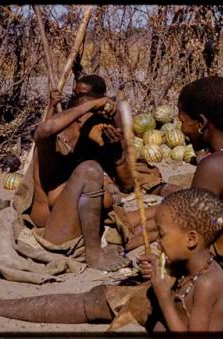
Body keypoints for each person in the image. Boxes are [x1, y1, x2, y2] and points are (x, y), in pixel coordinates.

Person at [0, 76, 223, 331]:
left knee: (101, 299)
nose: (180, 125)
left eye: (184, 120)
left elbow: (194, 242)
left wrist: (157, 270)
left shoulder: (214, 166)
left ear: (203, 123)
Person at [0, 188, 223, 332]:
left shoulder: (209, 284)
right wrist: (159, 274)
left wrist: (162, 295)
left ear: (192, 239)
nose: (157, 240)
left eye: (163, 234)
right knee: (97, 299)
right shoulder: (195, 268)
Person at [22, 88, 133, 272]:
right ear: (82, 118)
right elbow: (44, 129)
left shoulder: (89, 146)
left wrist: (117, 153)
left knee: (157, 215)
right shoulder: (52, 145)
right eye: (102, 120)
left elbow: (128, 186)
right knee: (90, 170)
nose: (108, 126)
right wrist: (90, 105)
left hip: (80, 228)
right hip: (53, 233)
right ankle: (94, 256)